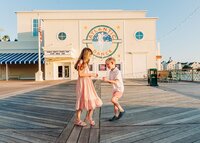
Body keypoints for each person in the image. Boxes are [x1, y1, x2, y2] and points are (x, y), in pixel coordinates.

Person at [74, 47, 103, 126]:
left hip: (87, 83)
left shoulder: (85, 63)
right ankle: (78, 120)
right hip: (83, 84)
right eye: (89, 55)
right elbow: (80, 74)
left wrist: (92, 75)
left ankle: (89, 117)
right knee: (81, 101)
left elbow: (85, 74)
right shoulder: (81, 61)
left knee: (91, 99)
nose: (90, 56)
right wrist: (91, 74)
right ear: (86, 54)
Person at [102, 57, 125, 121]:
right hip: (115, 89)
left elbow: (116, 81)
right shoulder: (110, 72)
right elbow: (110, 82)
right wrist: (106, 80)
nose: (107, 66)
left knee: (113, 100)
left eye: (108, 64)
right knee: (115, 103)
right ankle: (116, 115)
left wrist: (107, 80)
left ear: (112, 63)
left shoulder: (117, 72)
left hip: (119, 89)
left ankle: (122, 110)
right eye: (106, 65)